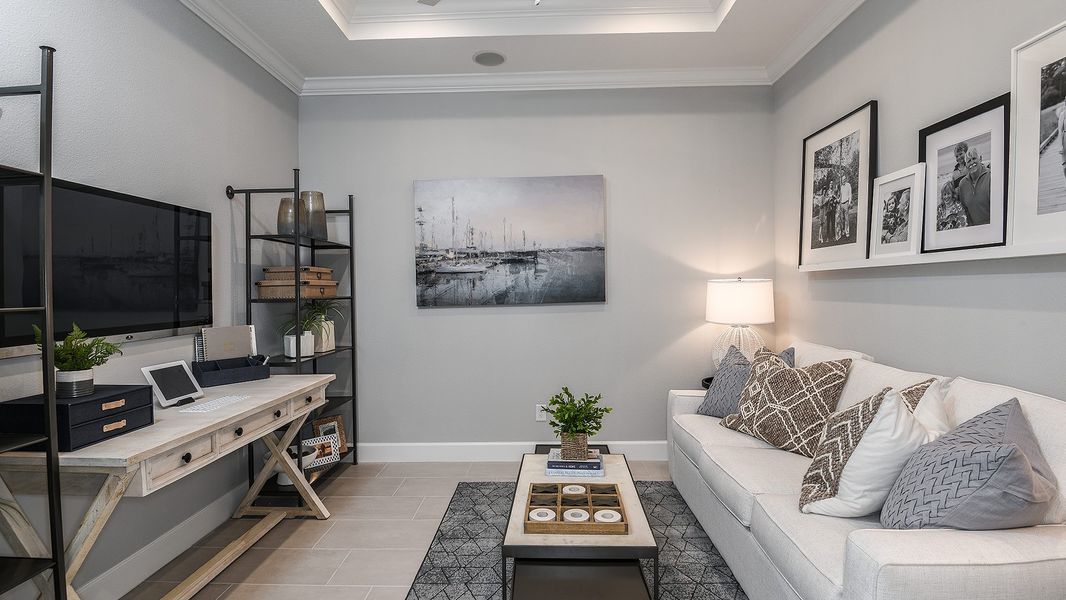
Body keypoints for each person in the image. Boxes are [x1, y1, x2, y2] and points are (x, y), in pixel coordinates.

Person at [956, 148, 991, 225]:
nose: (972, 162)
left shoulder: (991, 176)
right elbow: (965, 211)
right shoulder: (962, 184)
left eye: (974, 158)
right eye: (969, 161)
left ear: (980, 159)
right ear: (966, 165)